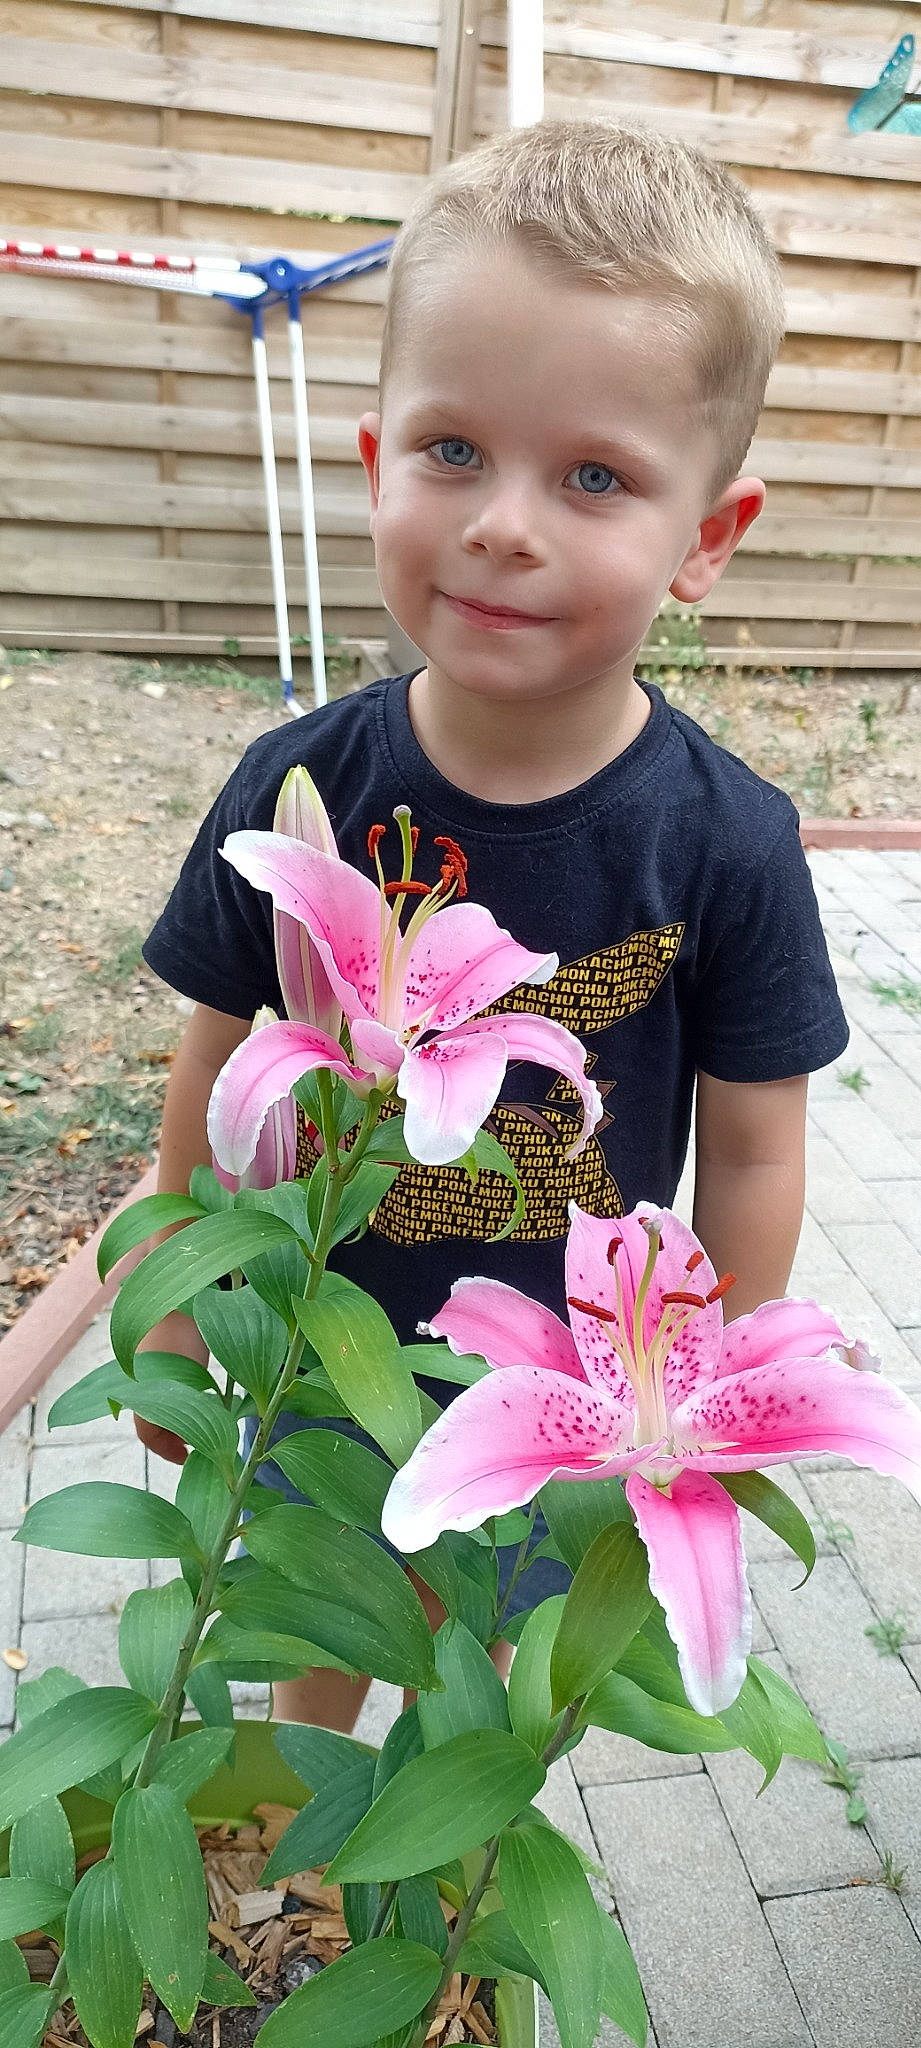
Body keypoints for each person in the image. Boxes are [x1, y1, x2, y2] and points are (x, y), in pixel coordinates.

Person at [137, 120, 848, 1730]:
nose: (504, 523)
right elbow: (214, 1058)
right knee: (318, 1640)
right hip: (319, 1344)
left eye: (592, 475)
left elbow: (749, 1152)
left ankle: (431, 1922)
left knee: (491, 1708)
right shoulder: (303, 779)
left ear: (707, 539)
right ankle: (305, 1868)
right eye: (454, 451)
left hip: (573, 1390)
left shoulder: (728, 843)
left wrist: (701, 1410)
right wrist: (179, 1292)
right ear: (378, 461)